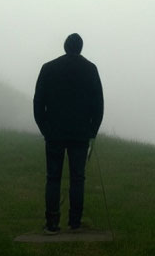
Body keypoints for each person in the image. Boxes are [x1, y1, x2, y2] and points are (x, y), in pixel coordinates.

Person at [33, 33, 104, 234]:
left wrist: (45, 128)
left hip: (54, 133)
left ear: (65, 46)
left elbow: (38, 102)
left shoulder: (48, 68)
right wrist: (93, 131)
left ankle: (52, 223)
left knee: (53, 178)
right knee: (77, 178)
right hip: (80, 134)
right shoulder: (90, 69)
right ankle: (75, 222)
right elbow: (98, 104)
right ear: (80, 48)